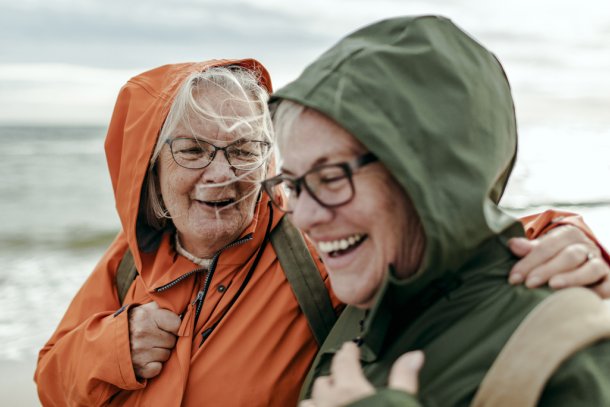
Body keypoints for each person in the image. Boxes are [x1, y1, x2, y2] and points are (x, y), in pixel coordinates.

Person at [35, 57, 606, 406]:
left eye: (243, 150)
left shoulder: (308, 238)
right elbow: (50, 383)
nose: (221, 173)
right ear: (148, 171)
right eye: (191, 150)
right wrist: (113, 348)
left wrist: (563, 233)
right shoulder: (131, 257)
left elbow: (430, 238)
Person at [262, 15, 610, 406]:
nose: (305, 217)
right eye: (293, 184)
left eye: (330, 178)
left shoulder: (571, 352)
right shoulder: (362, 314)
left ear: (428, 175)